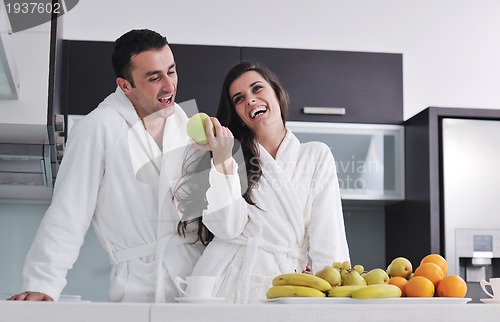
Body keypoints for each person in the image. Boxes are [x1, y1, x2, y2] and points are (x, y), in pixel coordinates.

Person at [7, 29, 205, 303]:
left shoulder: (190, 126)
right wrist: (43, 283)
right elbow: (69, 210)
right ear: (125, 86)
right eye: (154, 77)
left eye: (171, 71)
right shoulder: (99, 127)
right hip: (138, 287)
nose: (169, 86)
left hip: (200, 287)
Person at [176, 61, 350, 303]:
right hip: (224, 282)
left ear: (277, 94)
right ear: (237, 114)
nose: (250, 99)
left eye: (257, 88)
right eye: (239, 98)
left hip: (285, 285)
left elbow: (328, 238)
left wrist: (336, 297)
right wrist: (222, 160)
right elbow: (227, 228)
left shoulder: (315, 156)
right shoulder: (228, 158)